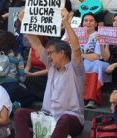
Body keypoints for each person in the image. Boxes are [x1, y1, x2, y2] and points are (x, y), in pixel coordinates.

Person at [14, 8, 85, 138]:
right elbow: (36, 44)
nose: (48, 56)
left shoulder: (75, 69)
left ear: (62, 53)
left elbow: (76, 48)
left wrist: (66, 23)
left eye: (51, 52)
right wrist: (25, 22)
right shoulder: (51, 67)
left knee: (64, 119)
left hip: (71, 120)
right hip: (47, 117)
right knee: (19, 113)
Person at [0, 31, 35, 108]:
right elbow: (22, 78)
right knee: (31, 96)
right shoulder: (17, 56)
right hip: (12, 88)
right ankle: (15, 106)